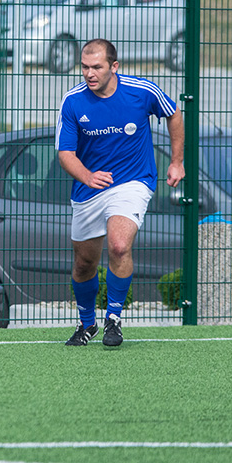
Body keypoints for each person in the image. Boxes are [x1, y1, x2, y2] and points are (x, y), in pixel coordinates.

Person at [55, 38, 185, 347]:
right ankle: (88, 324)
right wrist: (88, 176)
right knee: (84, 263)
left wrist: (177, 161)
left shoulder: (143, 91)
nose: (89, 73)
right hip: (89, 189)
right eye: (84, 67)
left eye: (96, 67)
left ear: (114, 66)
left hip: (133, 181)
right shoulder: (73, 101)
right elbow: (65, 154)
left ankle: (114, 318)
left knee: (118, 245)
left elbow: (174, 114)